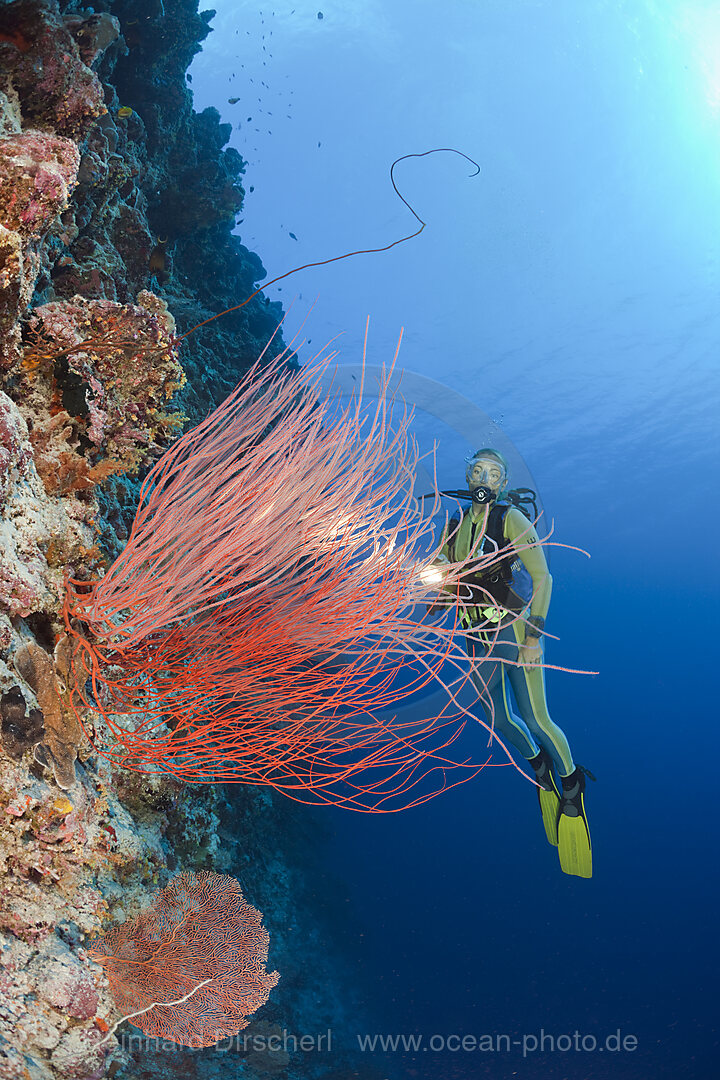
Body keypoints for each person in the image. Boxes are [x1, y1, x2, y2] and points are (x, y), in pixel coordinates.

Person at [435, 448, 592, 878]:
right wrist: (431, 587)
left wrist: (535, 635)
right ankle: (539, 767)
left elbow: (543, 577)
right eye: (478, 469)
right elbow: (447, 588)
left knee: (536, 718)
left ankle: (573, 786)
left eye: (494, 472)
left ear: (502, 483)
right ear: (468, 477)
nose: (484, 476)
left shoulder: (510, 520)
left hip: (515, 628)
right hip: (474, 636)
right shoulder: (453, 528)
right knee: (500, 721)